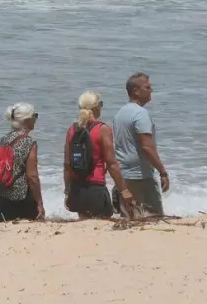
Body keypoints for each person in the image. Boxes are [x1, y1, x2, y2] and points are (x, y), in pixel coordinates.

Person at [64, 90, 130, 219]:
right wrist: (124, 190)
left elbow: (67, 164)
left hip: (77, 188)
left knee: (84, 229)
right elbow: (112, 164)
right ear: (96, 107)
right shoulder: (102, 129)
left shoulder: (72, 129)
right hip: (96, 188)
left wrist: (67, 191)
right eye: (101, 104)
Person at [113, 72, 170, 219]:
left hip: (123, 175)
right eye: (147, 87)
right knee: (154, 217)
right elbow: (146, 147)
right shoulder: (140, 114)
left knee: (129, 218)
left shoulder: (120, 113)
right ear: (135, 91)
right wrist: (162, 171)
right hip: (140, 176)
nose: (151, 91)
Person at [0, 102, 45, 222]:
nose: (36, 119)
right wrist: (40, 204)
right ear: (27, 120)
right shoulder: (29, 142)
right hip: (21, 199)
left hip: (2, 197)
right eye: (34, 116)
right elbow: (32, 177)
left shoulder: (4, 139)